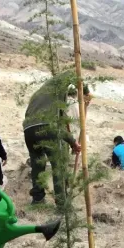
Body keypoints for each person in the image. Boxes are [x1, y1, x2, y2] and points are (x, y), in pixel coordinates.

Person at [23, 71, 87, 205]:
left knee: (37, 165)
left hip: (28, 129)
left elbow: (61, 119)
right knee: (59, 166)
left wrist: (70, 142)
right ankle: (61, 203)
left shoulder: (41, 94)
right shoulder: (58, 84)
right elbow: (74, 74)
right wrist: (85, 91)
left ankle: (37, 199)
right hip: (47, 127)